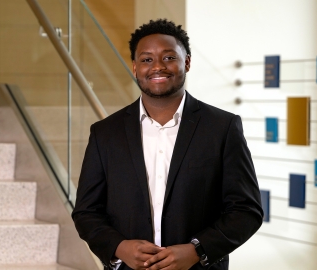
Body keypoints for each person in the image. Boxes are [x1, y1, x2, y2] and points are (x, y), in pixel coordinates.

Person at [72, 19, 263, 270]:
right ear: (134, 67)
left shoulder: (222, 128)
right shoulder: (105, 133)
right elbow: (86, 212)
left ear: (187, 62)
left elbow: (246, 210)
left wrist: (198, 250)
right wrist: (119, 247)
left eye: (169, 57)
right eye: (147, 59)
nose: (158, 67)